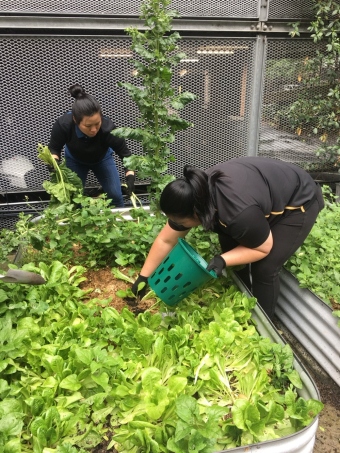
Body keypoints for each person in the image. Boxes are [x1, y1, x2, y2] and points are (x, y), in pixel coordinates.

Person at [131, 156, 324, 319]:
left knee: (265, 267)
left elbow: (262, 248)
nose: (175, 224)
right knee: (232, 247)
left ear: (196, 213)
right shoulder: (195, 195)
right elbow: (166, 239)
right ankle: (243, 297)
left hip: (298, 201)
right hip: (258, 198)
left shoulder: (237, 214)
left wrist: (223, 260)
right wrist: (143, 278)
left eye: (178, 221)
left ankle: (264, 325)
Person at [48, 84, 135, 207]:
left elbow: (126, 155)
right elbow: (54, 148)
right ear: (75, 120)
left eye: (97, 123)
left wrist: (130, 178)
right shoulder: (64, 124)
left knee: (115, 195)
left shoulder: (108, 128)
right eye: (88, 126)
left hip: (103, 158)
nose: (94, 130)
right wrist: (54, 161)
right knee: (75, 198)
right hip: (74, 159)